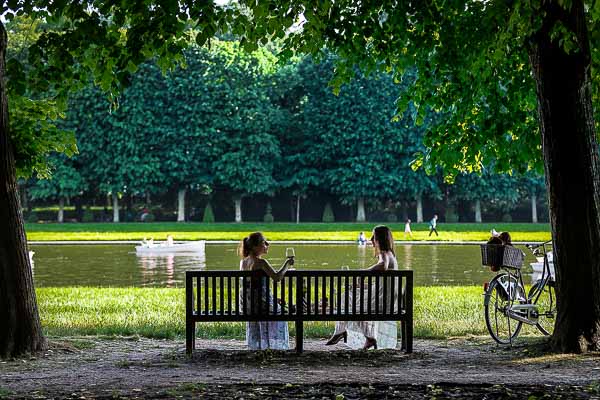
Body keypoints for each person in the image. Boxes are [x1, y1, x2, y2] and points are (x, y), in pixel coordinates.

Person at [326, 225, 399, 350]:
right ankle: (360, 335)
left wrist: (366, 271)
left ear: (380, 239)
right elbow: (382, 284)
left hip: (382, 303)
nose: (371, 239)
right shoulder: (391, 254)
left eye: (374, 237)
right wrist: (363, 285)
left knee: (347, 299)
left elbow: (384, 265)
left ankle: (344, 331)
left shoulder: (384, 254)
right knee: (351, 295)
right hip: (389, 301)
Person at [239, 232, 294, 350]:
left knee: (278, 304)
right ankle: (276, 345)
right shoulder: (261, 263)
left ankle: (260, 344)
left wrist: (274, 299)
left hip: (247, 306)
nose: (267, 244)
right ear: (255, 247)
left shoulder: (243, 262)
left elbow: (254, 288)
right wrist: (287, 264)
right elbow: (277, 277)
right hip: (260, 306)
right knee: (284, 310)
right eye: (264, 242)